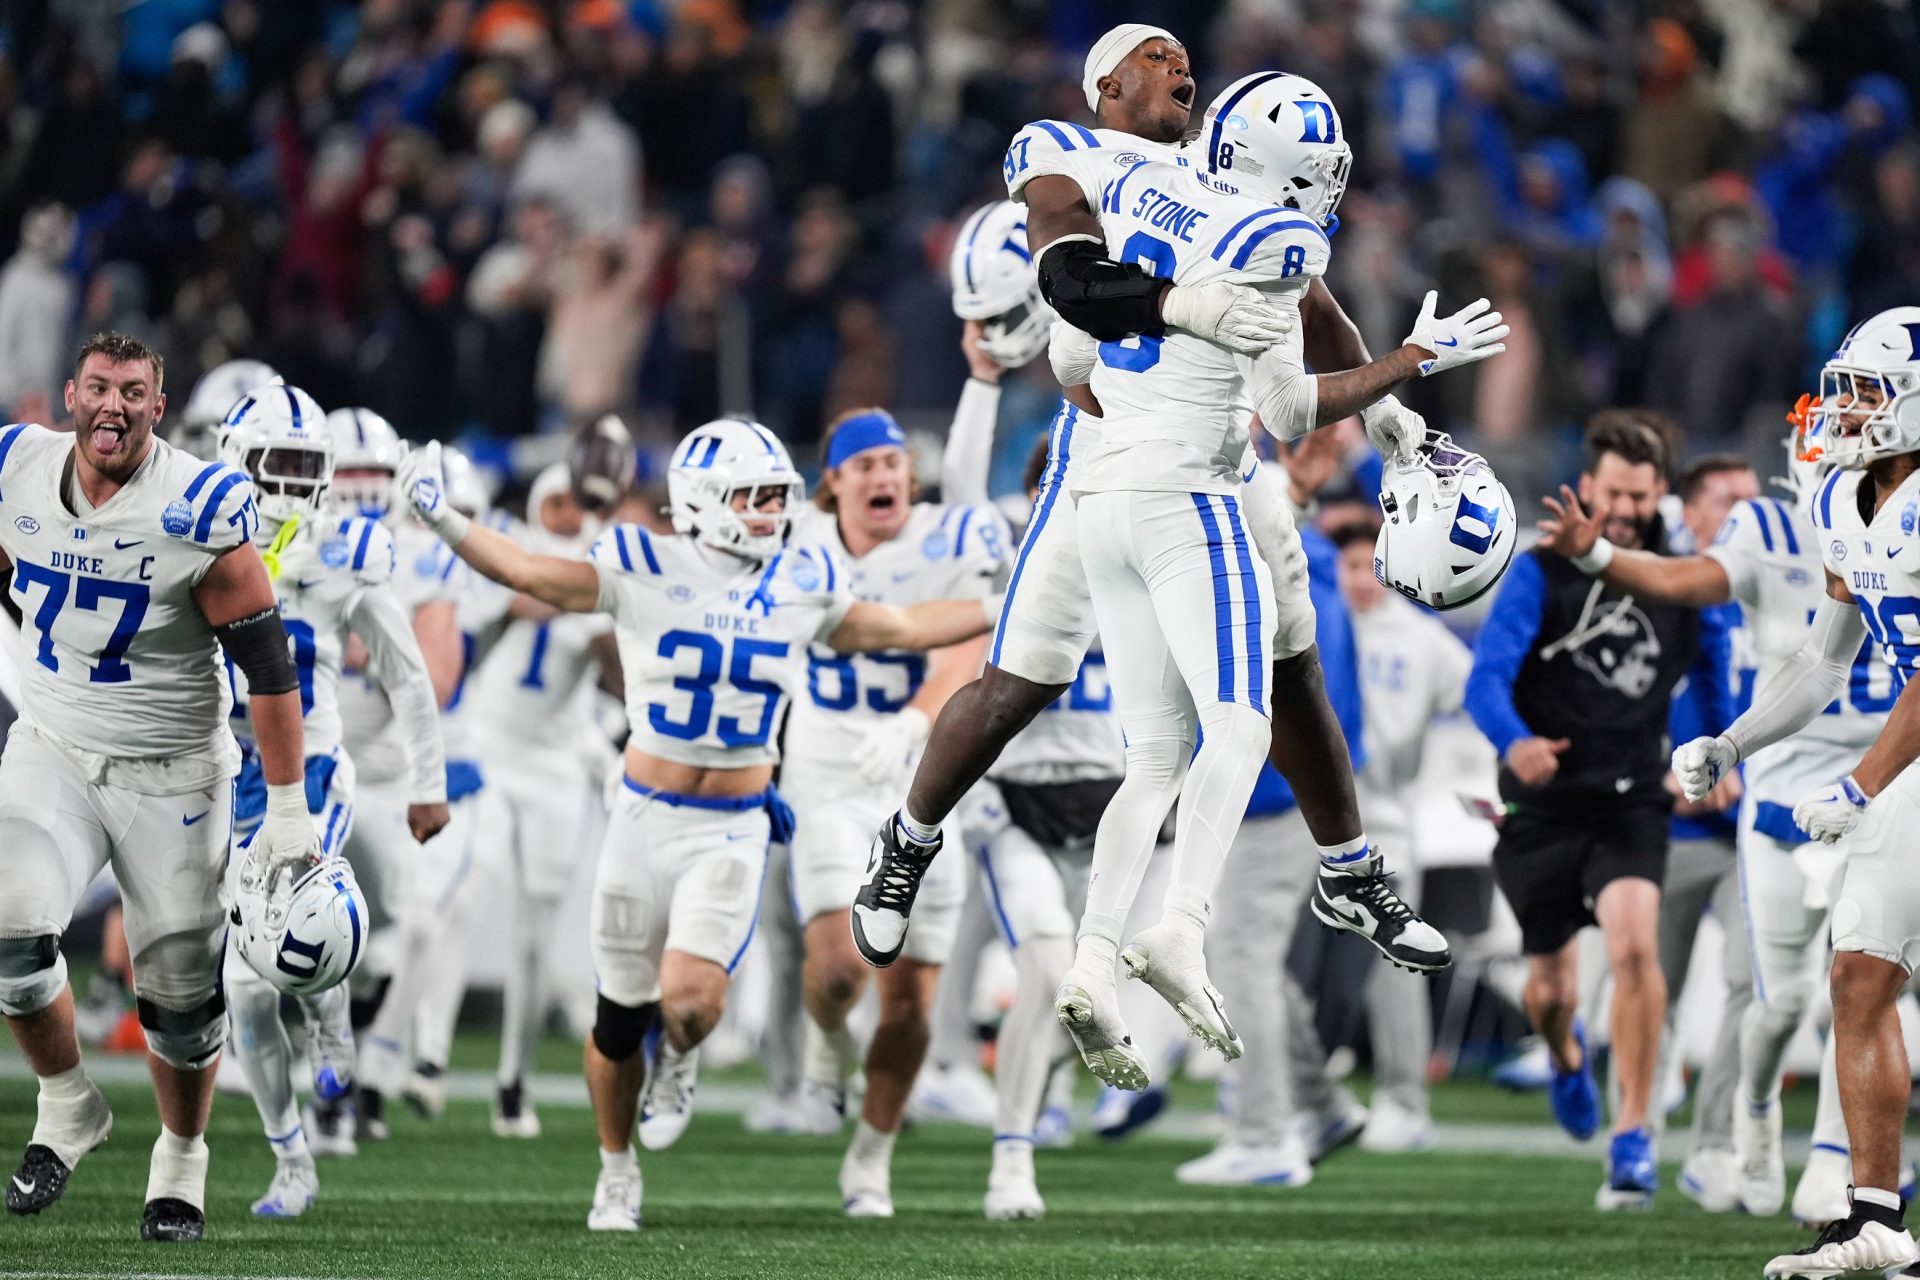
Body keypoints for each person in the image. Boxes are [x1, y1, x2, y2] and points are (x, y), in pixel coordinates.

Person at [854, 26, 1464, 989]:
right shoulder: (1063, 151)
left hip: (1220, 455)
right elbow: (1069, 279)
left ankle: (1350, 872)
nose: (1180, 64)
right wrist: (1184, 306)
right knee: (1022, 682)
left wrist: (1387, 410)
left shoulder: (1212, 174)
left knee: (1292, 659)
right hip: (1104, 454)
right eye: (1155, 55)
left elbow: (1311, 305)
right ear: (1104, 81)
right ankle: (909, 842)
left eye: (1185, 56)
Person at [392, 420, 1000, 1232]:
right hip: (642, 817)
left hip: (734, 824)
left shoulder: (801, 574)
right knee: (618, 1018)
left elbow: (896, 628)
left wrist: (1015, 599)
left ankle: (680, 1057)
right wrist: (443, 520)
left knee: (690, 1004)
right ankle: (616, 1171)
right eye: (752, 498)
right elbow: (534, 570)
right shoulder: (645, 562)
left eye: (777, 498)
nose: (769, 513)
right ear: (704, 503)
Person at [1034, 70, 1502, 1086]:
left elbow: (1076, 317)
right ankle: (1181, 930)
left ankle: (1092, 959)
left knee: (1156, 752)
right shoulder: (1271, 239)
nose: (1325, 191)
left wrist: (1387, 422)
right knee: (1242, 719)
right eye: (1318, 174)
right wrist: (1415, 360)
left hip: (1099, 490)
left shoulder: (1135, 174)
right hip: (1193, 491)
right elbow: (1290, 415)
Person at [0, 333, 316, 1242]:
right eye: (98, 387)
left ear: (156, 404)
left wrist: (287, 813)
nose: (113, 406)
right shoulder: (18, 467)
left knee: (179, 1004)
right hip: (54, 743)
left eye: (132, 392)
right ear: (69, 395)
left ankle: (181, 1155)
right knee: (13, 932)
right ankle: (66, 1105)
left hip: (174, 769)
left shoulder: (200, 507)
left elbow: (268, 664)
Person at [1537, 411, 1890, 1223]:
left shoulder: (1898, 520)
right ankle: (1757, 1108)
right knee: (1784, 1003)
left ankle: (1842, 1164)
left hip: (1884, 785)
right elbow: (1805, 657)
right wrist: (1730, 747)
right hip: (1781, 794)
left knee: (1863, 984)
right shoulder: (1779, 526)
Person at [1669, 307, 1920, 1279]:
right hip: (1906, 762)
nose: (1848, 411)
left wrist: (1859, 784)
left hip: (1898, 760)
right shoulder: (1840, 496)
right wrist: (1731, 741)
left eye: (1869, 394)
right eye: (1845, 389)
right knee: (1860, 974)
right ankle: (1876, 1217)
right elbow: (1823, 658)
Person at [1466, 412, 1730, 1210]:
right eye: (1613, 492)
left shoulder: (1684, 581)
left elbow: (1716, 679)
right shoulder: (1541, 570)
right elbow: (1485, 682)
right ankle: (1566, 1056)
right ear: (1587, 486)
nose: (1623, 508)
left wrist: (1722, 754)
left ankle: (1634, 1135)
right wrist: (1516, 745)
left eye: (1639, 496)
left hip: (1632, 800)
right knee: (1549, 988)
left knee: (1634, 950)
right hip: (1542, 804)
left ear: (1659, 498)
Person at [214, 382, 449, 1217]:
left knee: (302, 932)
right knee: (243, 990)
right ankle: (291, 1159)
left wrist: (428, 782)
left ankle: (333, 1012)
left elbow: (407, 670)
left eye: (310, 467)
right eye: (280, 463)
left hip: (309, 771)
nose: (297, 482)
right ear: (236, 462)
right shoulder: (190, 542)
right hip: (214, 776)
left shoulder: (345, 552)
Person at [468, 463, 618, 1139]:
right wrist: (517, 593)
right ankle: (402, 1062)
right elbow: (466, 628)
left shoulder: (606, 572)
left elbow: (620, 671)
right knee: (461, 890)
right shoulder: (505, 552)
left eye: (575, 502)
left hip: (557, 768)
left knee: (534, 940)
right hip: (490, 756)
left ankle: (513, 1078)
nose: (563, 513)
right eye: (553, 500)